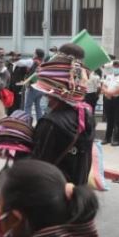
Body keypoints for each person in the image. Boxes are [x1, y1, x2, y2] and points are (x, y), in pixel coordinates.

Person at [31, 54, 95, 185]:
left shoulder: (50, 123)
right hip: (76, 187)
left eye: (46, 93)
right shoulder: (86, 114)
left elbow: (38, 164)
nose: (45, 96)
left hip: (54, 191)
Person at [100, 59, 119, 146]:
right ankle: (107, 138)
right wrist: (106, 92)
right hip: (108, 99)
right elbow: (103, 86)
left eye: (118, 66)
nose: (116, 67)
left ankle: (118, 140)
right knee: (109, 119)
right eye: (115, 66)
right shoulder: (109, 76)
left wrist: (111, 93)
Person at [22, 48, 47, 122]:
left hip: (33, 87)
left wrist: (26, 81)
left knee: (27, 106)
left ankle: (27, 122)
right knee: (38, 106)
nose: (33, 54)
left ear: (36, 54)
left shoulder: (35, 62)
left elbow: (31, 75)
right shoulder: (44, 63)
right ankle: (40, 122)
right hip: (41, 87)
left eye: (34, 53)